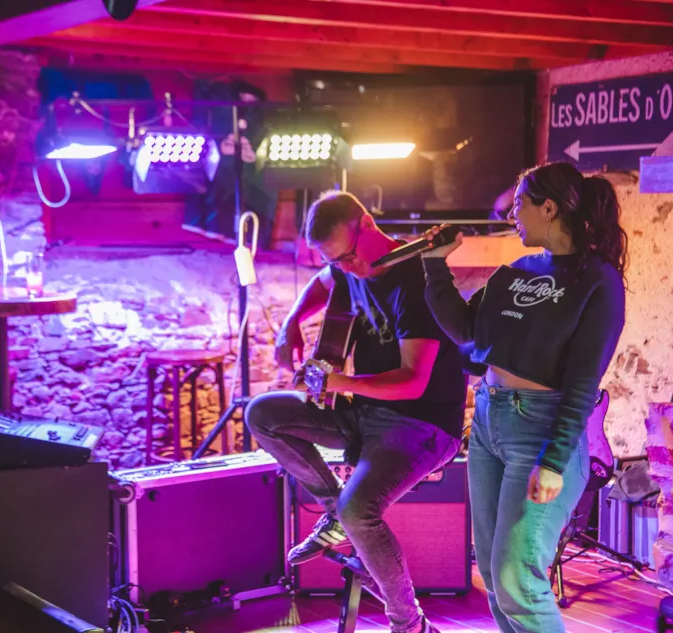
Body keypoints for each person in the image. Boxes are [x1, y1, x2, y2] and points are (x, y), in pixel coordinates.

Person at [244, 191, 467, 633]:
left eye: (348, 256)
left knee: (360, 509)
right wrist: (291, 323)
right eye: (336, 260)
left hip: (422, 424)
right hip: (365, 412)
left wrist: (339, 382)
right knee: (262, 414)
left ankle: (410, 624)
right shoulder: (347, 268)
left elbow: (413, 382)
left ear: (367, 224)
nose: (347, 268)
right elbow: (324, 280)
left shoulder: (415, 283)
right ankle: (334, 510)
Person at [421, 161, 627, 633]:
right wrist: (435, 266)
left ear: (548, 208)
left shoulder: (598, 281)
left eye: (519, 205)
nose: (511, 215)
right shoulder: (514, 271)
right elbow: (466, 332)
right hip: (489, 424)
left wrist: (554, 461)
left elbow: (583, 382)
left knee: (517, 577)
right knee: (495, 576)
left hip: (540, 431)